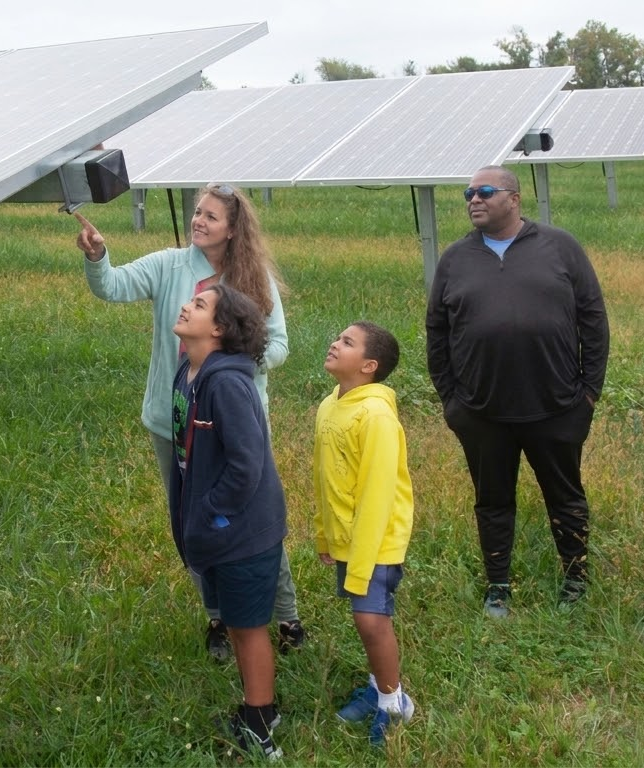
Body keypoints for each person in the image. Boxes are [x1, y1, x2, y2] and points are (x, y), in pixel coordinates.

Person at [75, 183, 306, 660]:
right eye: (197, 212)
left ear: (233, 229)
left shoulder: (253, 277)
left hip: (236, 422)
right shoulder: (169, 265)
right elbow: (112, 286)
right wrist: (98, 257)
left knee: (252, 518)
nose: (199, 220)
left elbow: (278, 345)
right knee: (193, 519)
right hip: (173, 420)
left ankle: (285, 614)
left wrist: (225, 362)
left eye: (211, 216)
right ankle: (218, 617)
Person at [426, 165, 609, 618]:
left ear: (514, 198)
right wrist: (452, 400)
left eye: (485, 191)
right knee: (492, 500)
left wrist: (589, 393)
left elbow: (593, 317)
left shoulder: (560, 247)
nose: (474, 199)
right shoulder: (455, 258)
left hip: (558, 407)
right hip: (481, 413)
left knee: (565, 496)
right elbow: (436, 330)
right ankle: (498, 585)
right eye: (468, 193)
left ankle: (575, 576)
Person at [170, 283, 287, 759]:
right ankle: (260, 705)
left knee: (249, 625)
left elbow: (247, 464)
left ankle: (259, 724)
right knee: (237, 622)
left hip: (242, 531)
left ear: (218, 329)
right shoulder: (189, 372)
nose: (185, 305)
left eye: (198, 305)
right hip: (216, 529)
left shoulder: (227, 384)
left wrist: (211, 510)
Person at [313, 322, 416, 747]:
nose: (335, 343)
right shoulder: (329, 404)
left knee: (371, 620)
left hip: (376, 542)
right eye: (337, 337)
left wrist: (362, 561)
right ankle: (378, 686)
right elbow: (325, 478)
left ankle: (395, 705)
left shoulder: (375, 416)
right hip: (349, 541)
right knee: (364, 619)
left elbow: (377, 493)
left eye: (347, 342)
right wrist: (325, 536)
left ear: (369, 365)